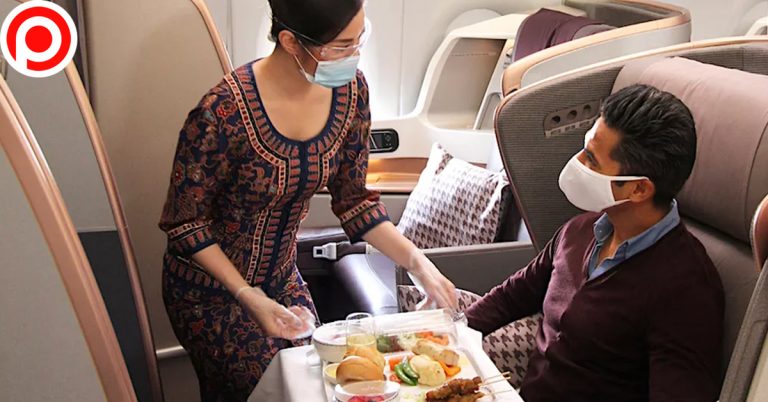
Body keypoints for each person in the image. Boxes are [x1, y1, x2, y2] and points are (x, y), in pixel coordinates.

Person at [158, 1, 458, 400]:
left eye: (359, 40)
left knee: (319, 382)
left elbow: (355, 201)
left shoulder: (351, 93)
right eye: (341, 46)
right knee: (269, 391)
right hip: (210, 293)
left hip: (281, 279)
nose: (354, 55)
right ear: (289, 41)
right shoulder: (223, 111)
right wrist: (246, 294)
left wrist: (419, 263)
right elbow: (185, 223)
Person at [466, 84, 724, 402]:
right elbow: (512, 297)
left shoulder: (687, 289)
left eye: (591, 160)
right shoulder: (581, 230)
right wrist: (448, 333)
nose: (577, 162)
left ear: (639, 189)